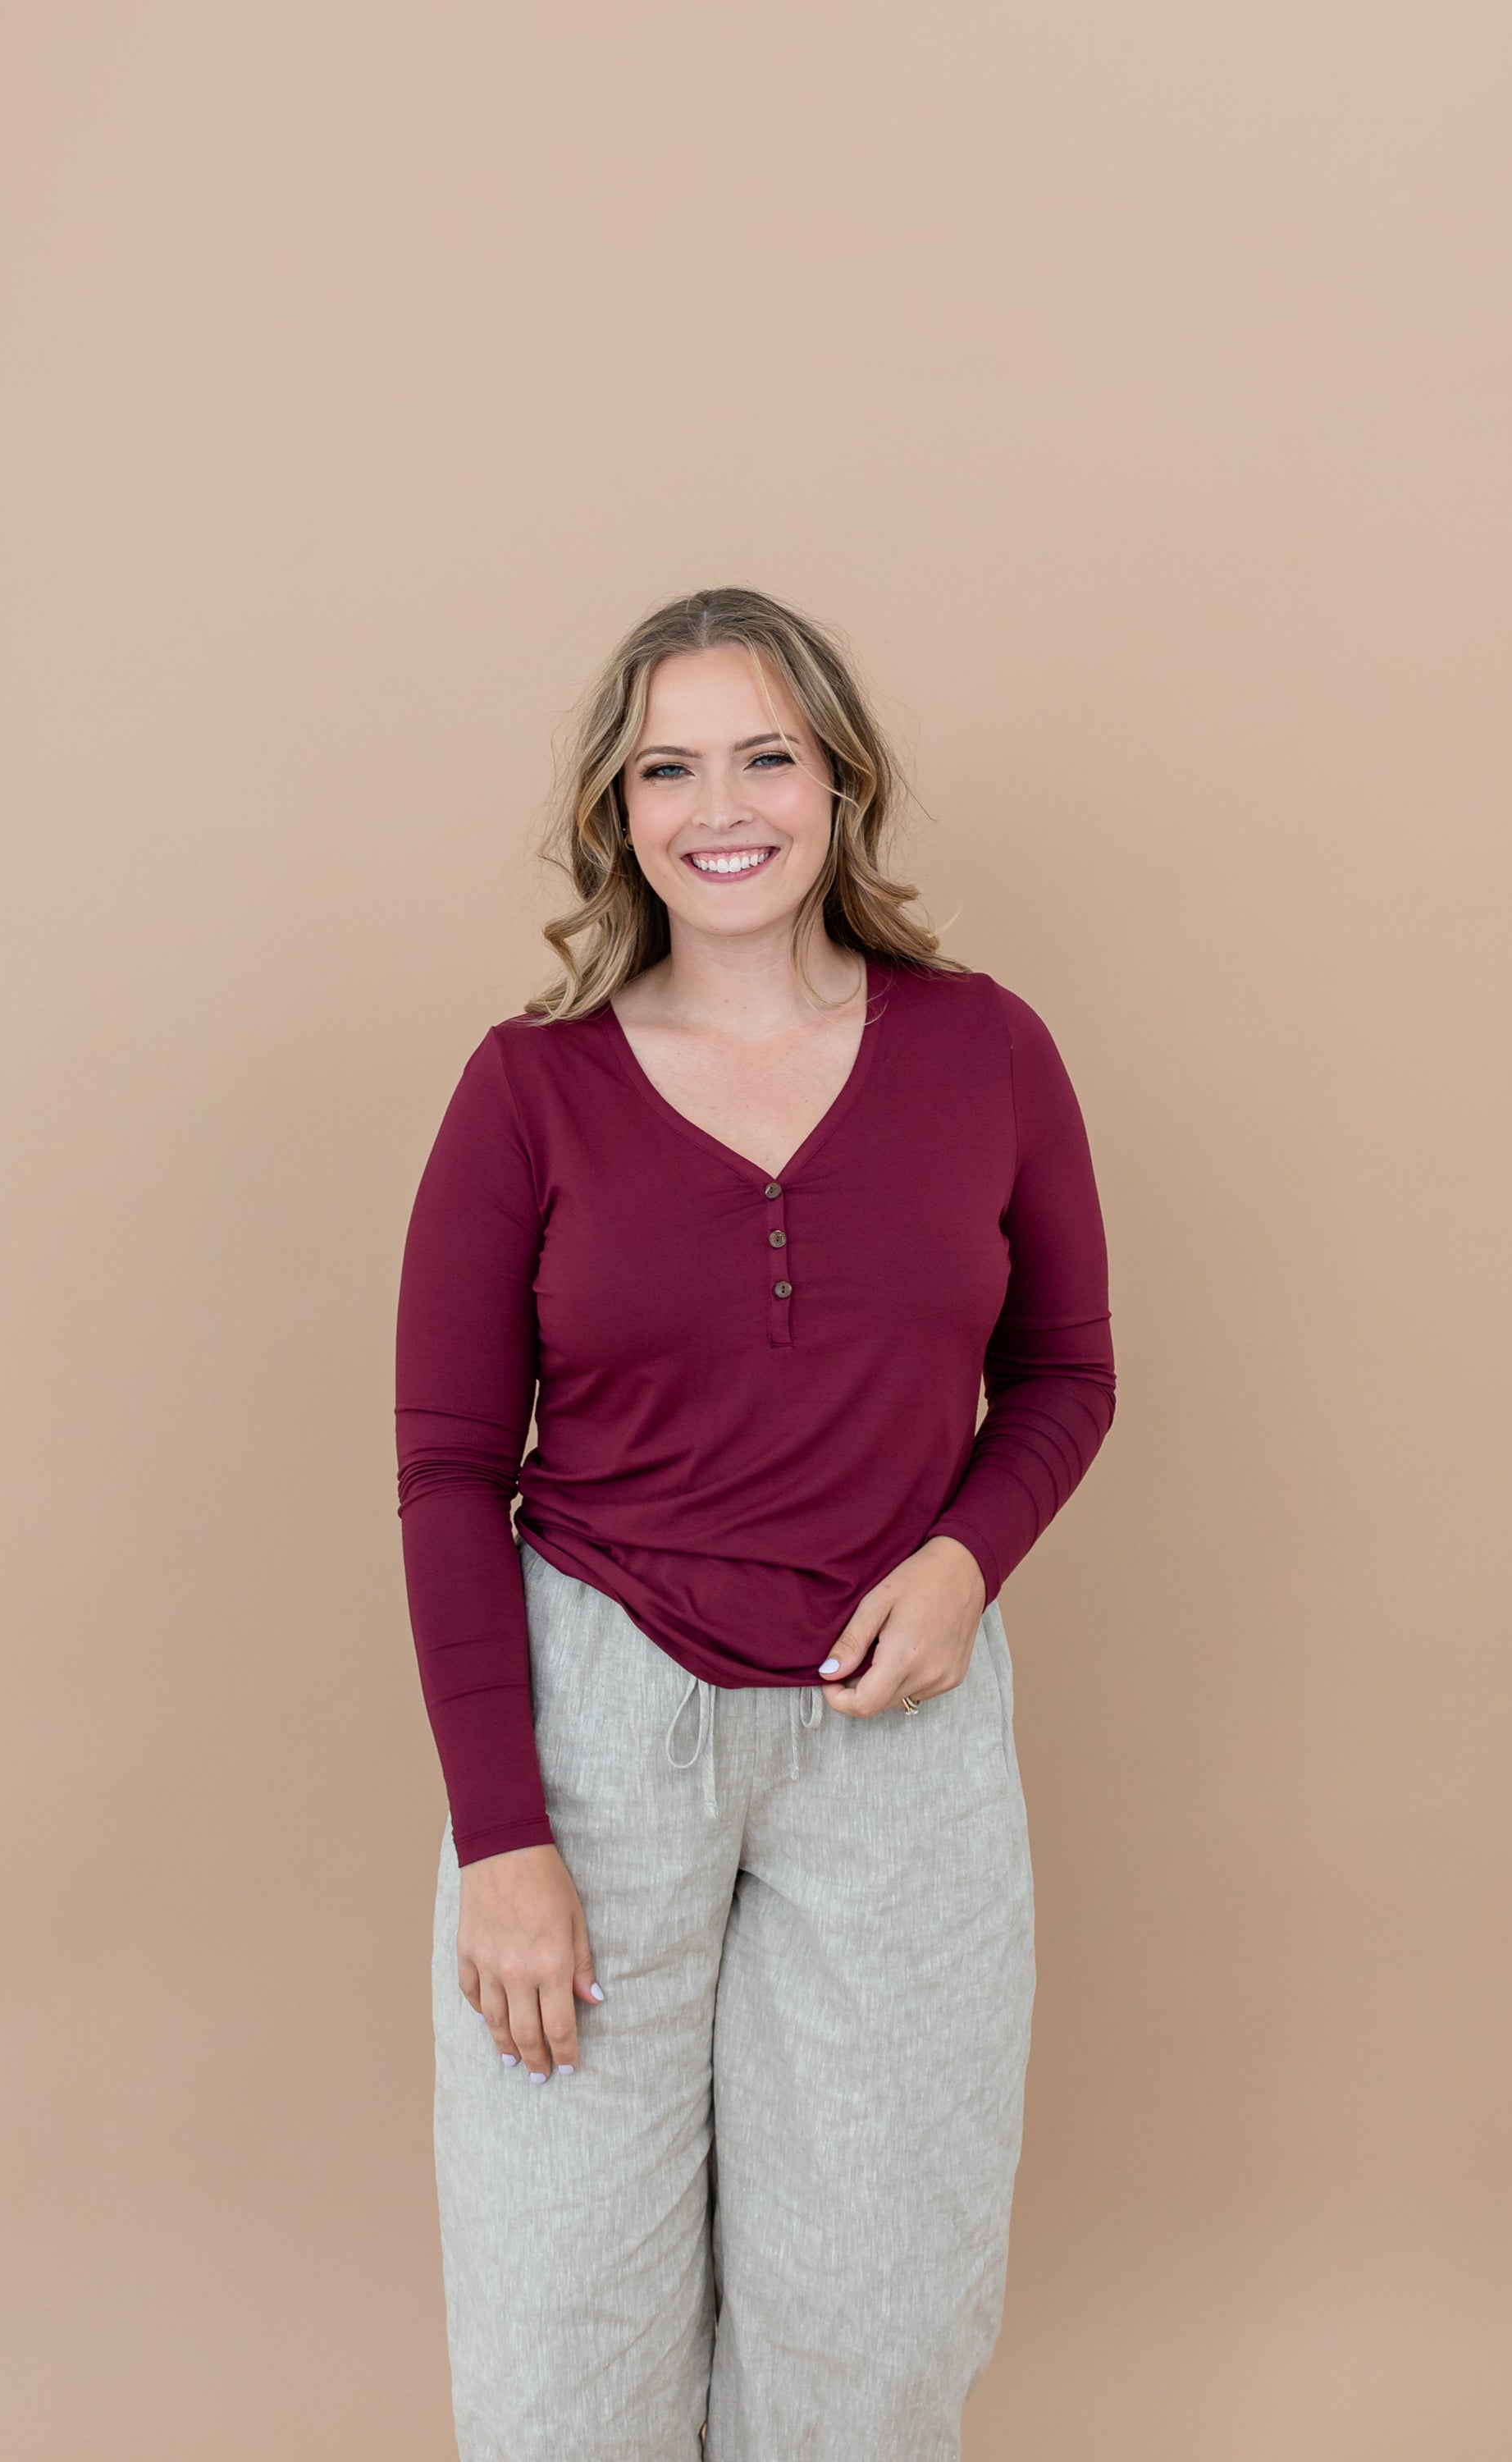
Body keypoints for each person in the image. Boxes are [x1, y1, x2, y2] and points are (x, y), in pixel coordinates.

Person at [393, 584, 1115, 2460]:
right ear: (618, 813)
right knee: (567, 2355)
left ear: (837, 783)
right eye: (668, 766)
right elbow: (449, 1469)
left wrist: (966, 1562)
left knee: (873, 2342)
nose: (724, 806)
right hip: (593, 1720)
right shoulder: (526, 1092)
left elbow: (1067, 1374)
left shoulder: (989, 1054)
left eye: (767, 756)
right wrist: (503, 1838)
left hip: (905, 1738)